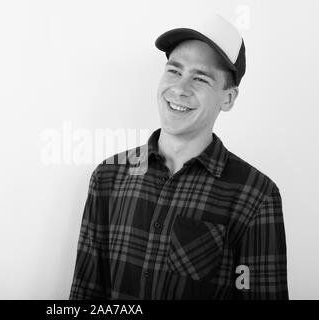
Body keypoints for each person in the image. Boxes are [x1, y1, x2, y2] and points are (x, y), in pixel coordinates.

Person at [69, 14, 288, 300]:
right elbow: (85, 294)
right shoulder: (108, 177)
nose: (180, 89)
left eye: (200, 78)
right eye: (174, 71)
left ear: (228, 98)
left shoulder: (256, 196)